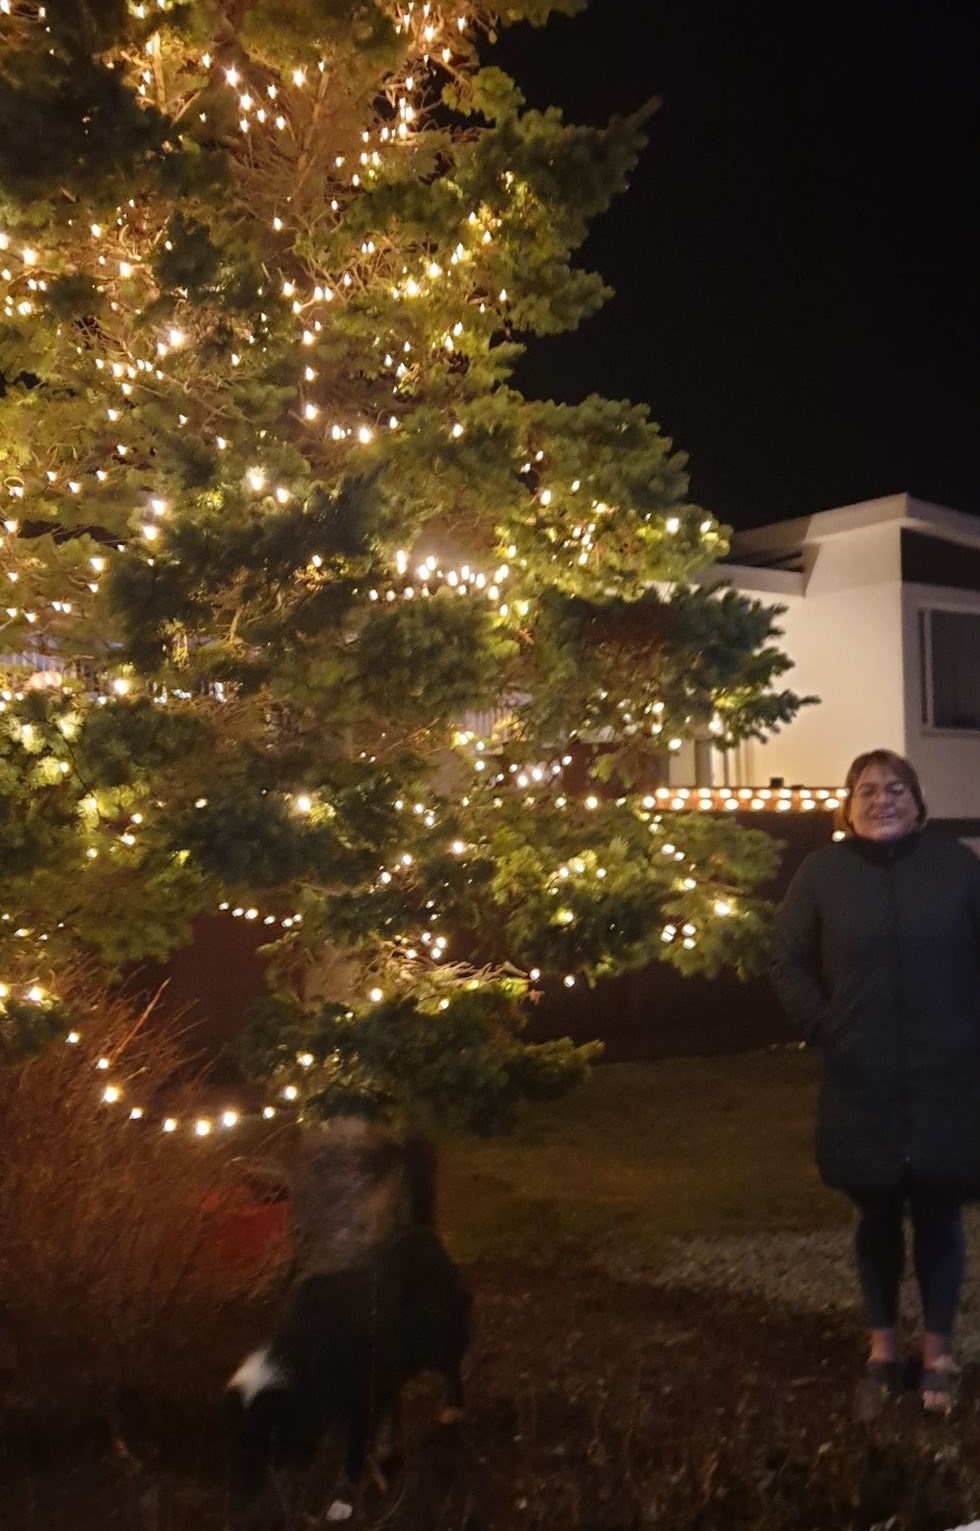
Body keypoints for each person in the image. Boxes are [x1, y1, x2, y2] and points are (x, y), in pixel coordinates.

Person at [771, 748, 980, 1413]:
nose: (881, 799)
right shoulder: (821, 874)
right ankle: (883, 1350)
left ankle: (938, 1354)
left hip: (946, 1076)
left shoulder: (957, 868)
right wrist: (824, 1025)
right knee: (876, 1216)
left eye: (895, 788)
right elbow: (786, 959)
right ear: (847, 805)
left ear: (917, 803)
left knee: (940, 1216)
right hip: (862, 1078)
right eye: (867, 789)